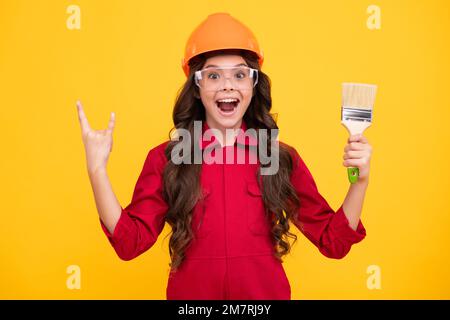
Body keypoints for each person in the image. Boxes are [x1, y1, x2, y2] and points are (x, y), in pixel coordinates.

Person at [76, 12, 371, 300]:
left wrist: (359, 182)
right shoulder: (167, 159)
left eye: (240, 74)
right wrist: (97, 171)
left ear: (253, 85)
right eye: (214, 75)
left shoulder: (279, 158)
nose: (228, 84)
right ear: (197, 85)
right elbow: (129, 243)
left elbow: (334, 243)